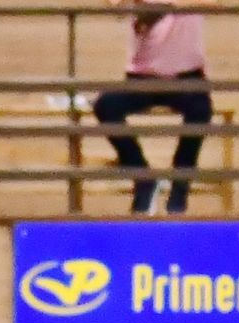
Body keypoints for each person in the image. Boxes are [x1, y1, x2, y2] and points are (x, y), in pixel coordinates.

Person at [92, 0, 215, 214]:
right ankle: (143, 179)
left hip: (186, 75)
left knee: (200, 110)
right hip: (143, 76)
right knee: (106, 106)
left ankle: (180, 188)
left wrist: (167, 5)